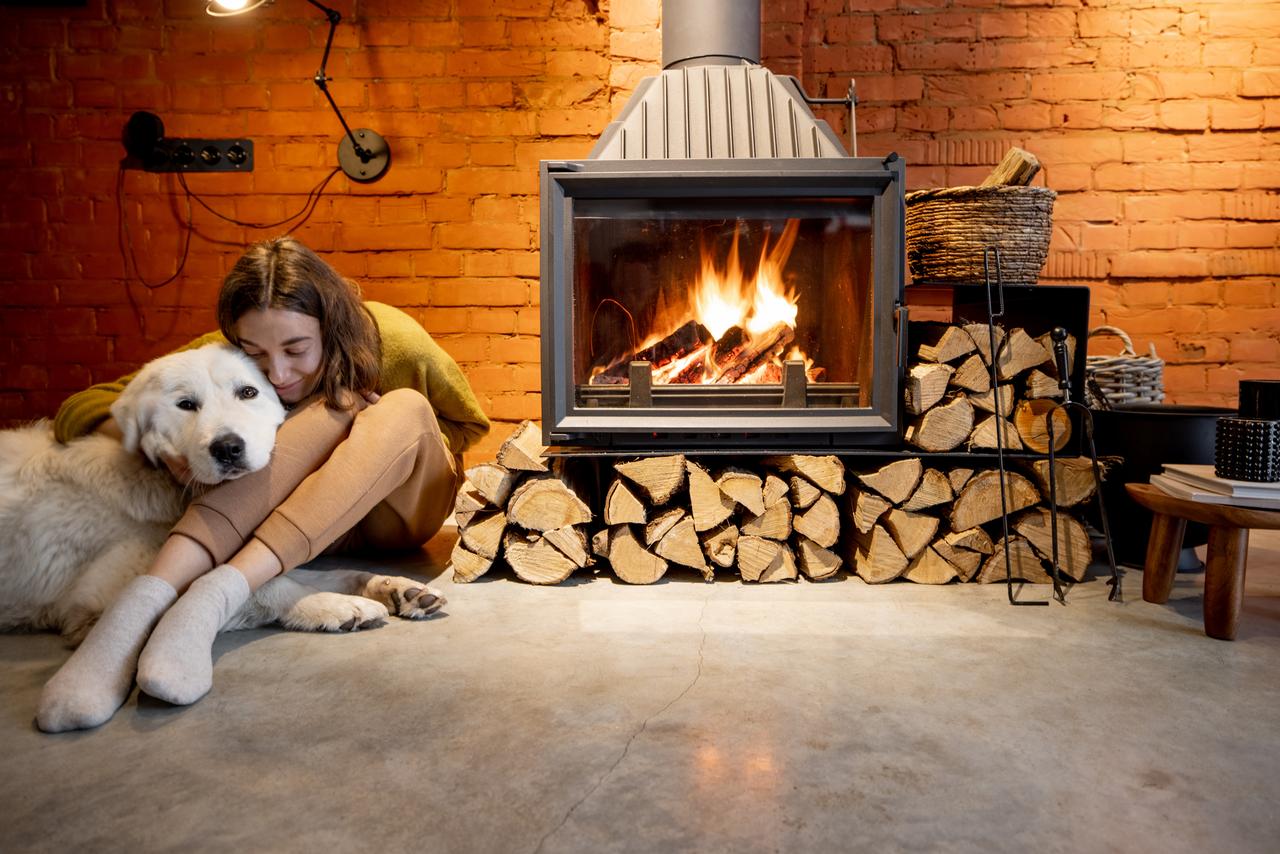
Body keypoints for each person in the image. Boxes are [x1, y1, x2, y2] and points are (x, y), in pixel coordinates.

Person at [37, 235, 490, 733]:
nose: (277, 372)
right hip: (293, 521)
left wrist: (366, 437)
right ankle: (151, 610)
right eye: (256, 353)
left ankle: (218, 595)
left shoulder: (394, 338)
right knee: (321, 415)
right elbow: (80, 408)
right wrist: (169, 449)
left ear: (330, 324)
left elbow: (470, 425)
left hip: (395, 510)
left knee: (376, 405)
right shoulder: (229, 349)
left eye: (296, 349)